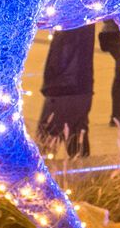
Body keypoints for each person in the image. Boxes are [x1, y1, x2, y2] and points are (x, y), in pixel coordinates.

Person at [37, 23, 98, 158]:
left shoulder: (70, 20)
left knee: (46, 143)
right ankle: (81, 174)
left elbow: (61, 56)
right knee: (77, 139)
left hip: (64, 87)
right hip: (79, 86)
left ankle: (78, 173)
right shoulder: (83, 17)